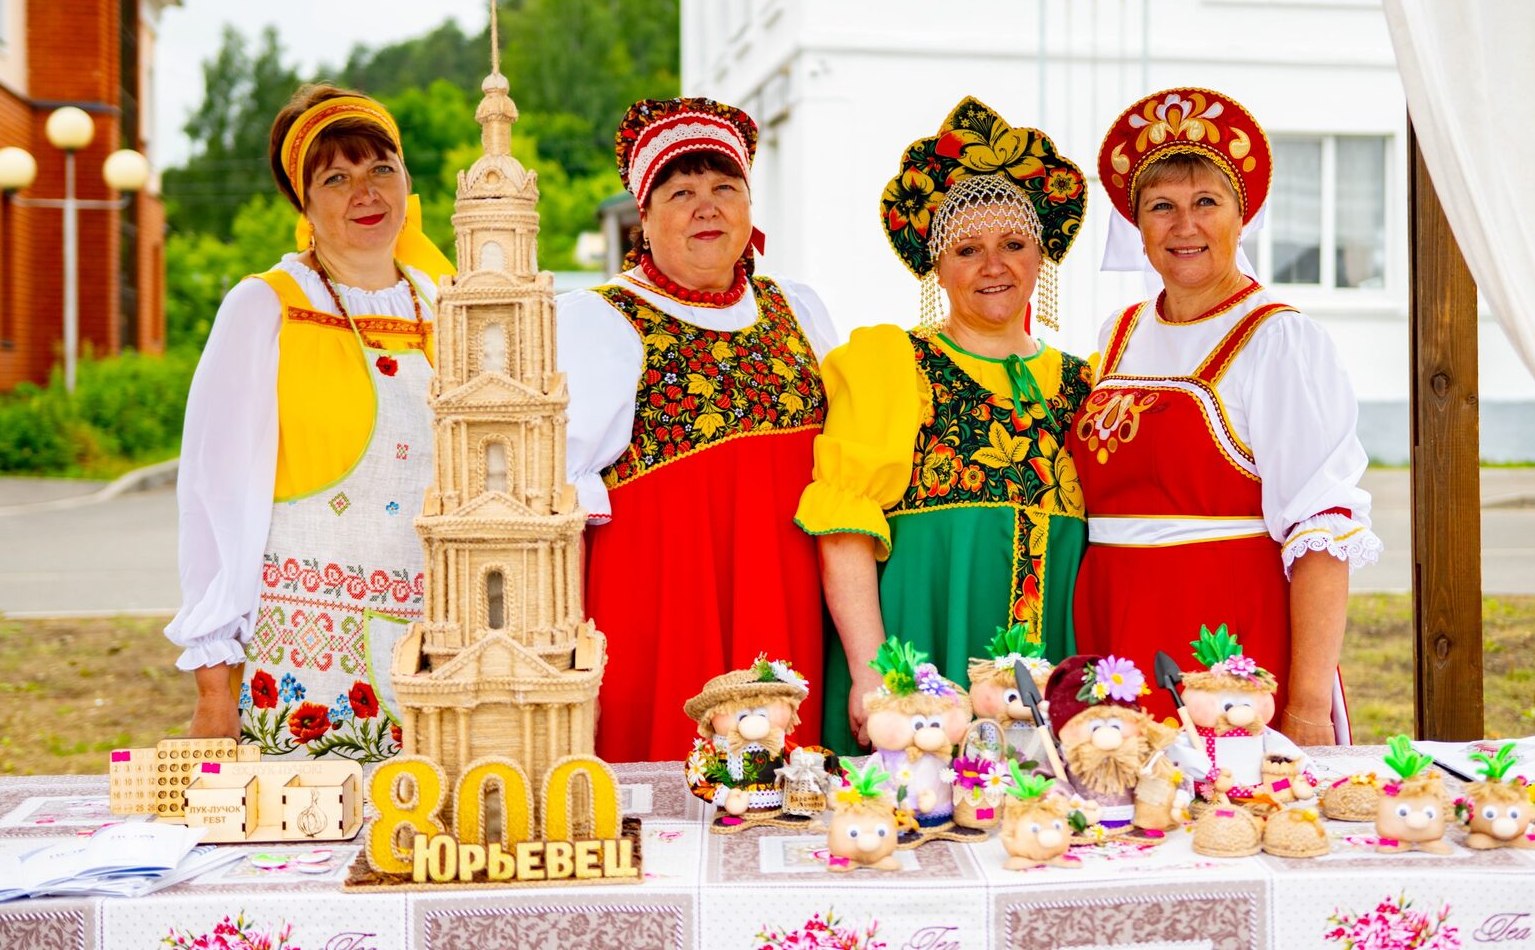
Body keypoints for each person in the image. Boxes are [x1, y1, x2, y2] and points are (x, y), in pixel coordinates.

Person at [1071, 87, 1382, 746]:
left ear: (1243, 217)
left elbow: (1320, 533)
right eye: (1162, 206)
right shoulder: (1119, 333)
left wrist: (1305, 708)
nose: (1184, 226)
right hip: (1114, 632)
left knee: (1227, 803)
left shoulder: (1278, 339)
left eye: (1206, 203)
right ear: (1137, 226)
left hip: (1227, 644)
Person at [165, 84, 455, 761]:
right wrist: (213, 686)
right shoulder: (267, 306)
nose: (367, 193)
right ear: (304, 202)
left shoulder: (447, 303)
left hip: (445, 645)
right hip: (308, 654)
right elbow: (213, 496)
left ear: (406, 179)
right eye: (336, 178)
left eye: (381, 168)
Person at [796, 96, 1093, 753]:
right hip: (920, 660)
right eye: (967, 249)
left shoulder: (1086, 383)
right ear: (936, 265)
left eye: (1013, 244)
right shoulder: (892, 364)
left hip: (1053, 661)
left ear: (1042, 255)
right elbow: (844, 527)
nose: (994, 266)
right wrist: (871, 668)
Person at [557, 97, 838, 764]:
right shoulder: (598, 321)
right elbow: (557, 507)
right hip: (666, 612)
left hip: (788, 599)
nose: (706, 207)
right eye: (681, 192)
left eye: (724, 188)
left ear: (749, 206)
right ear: (644, 218)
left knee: (788, 781)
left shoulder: (798, 308)